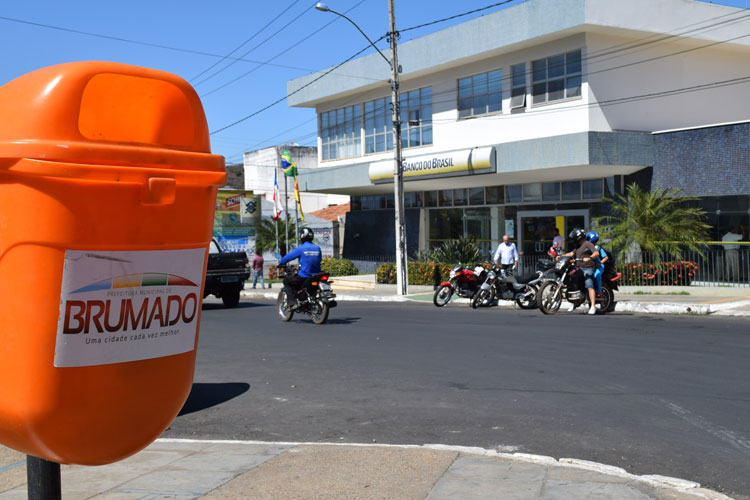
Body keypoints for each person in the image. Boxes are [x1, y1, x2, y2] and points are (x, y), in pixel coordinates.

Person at [278, 227, 322, 310]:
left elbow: (288, 257)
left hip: (305, 275)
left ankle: (292, 302)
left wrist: (280, 263)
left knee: (287, 281)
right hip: (316, 275)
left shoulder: (301, 248)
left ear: (302, 236)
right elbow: (319, 260)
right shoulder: (317, 248)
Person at [564, 228, 599, 315]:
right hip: (578, 268)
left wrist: (590, 258)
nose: (573, 240)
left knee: (589, 284)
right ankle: (575, 303)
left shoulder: (588, 243)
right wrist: (561, 256)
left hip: (588, 268)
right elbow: (571, 254)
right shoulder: (578, 246)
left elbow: (596, 253)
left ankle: (593, 306)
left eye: (574, 238)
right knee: (572, 282)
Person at [585, 231, 608, 295]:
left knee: (596, 275)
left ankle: (599, 291)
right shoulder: (587, 248)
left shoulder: (598, 248)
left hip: (599, 267)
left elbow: (606, 257)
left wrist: (600, 263)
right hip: (590, 267)